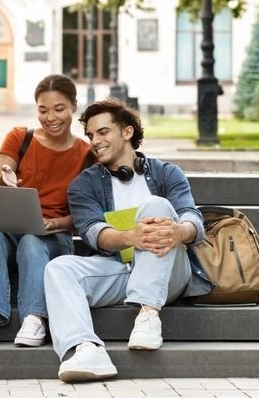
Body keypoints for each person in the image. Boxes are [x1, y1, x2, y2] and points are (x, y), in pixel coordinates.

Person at [44, 98, 212, 382]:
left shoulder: (166, 172)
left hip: (170, 273)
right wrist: (130, 237)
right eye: (91, 135)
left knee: (155, 206)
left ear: (127, 132)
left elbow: (192, 219)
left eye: (103, 132)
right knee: (58, 268)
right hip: (120, 270)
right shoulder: (84, 184)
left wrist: (179, 232)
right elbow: (94, 233)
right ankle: (85, 349)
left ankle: (148, 315)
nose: (95, 141)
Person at [0, 75, 89, 348]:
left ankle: (35, 318)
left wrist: (55, 223)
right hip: (12, 232)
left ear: (73, 107)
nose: (50, 117)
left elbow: (84, 217)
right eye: (43, 110)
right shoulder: (19, 137)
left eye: (59, 109)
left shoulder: (86, 154)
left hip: (53, 238)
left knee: (33, 242)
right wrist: (5, 180)